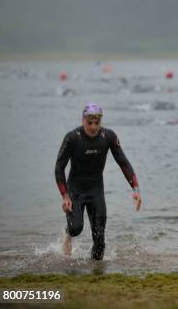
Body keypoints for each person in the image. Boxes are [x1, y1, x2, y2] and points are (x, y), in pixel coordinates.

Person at [54, 103, 142, 260]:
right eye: (89, 123)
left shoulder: (108, 137)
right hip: (76, 190)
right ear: (83, 121)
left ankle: (96, 272)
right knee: (76, 228)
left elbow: (123, 163)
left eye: (97, 123)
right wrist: (65, 196)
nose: (93, 127)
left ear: (101, 122)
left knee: (100, 241)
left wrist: (136, 189)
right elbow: (59, 168)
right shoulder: (72, 138)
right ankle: (68, 234)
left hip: (96, 190)